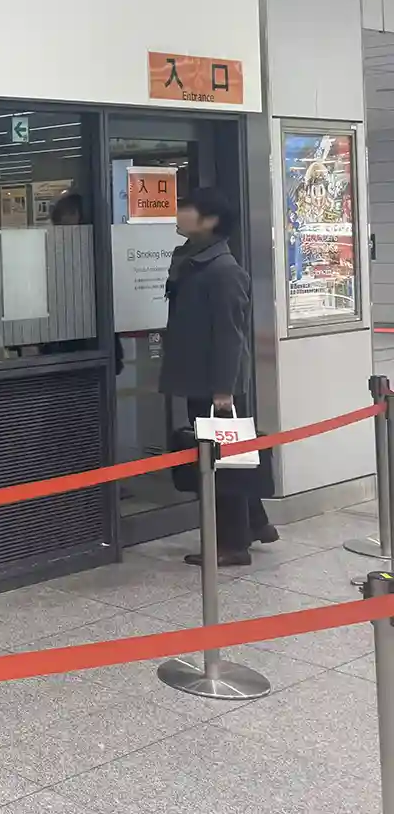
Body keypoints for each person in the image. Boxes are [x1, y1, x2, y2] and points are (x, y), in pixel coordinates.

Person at [160, 187, 276, 565]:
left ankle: (231, 545)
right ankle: (257, 523)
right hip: (204, 377)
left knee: (219, 461)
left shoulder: (223, 271)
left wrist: (223, 388)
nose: (178, 214)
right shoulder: (192, 259)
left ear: (209, 220)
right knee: (233, 454)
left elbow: (230, 334)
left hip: (216, 385)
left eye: (186, 209)